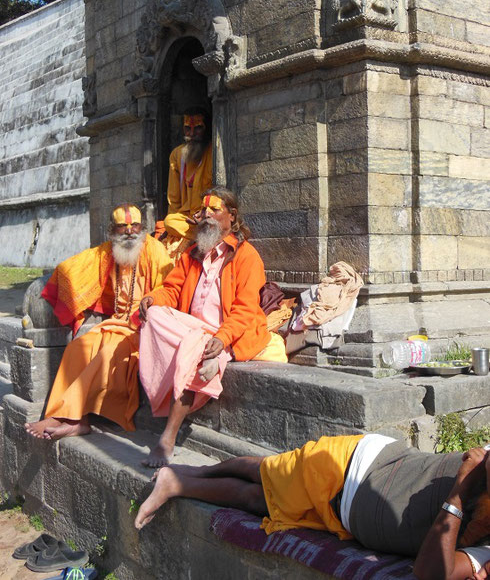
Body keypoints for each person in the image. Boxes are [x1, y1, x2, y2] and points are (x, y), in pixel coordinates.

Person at [133, 435, 490, 580]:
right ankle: (195, 471)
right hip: (356, 463)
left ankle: (176, 483)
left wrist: (458, 496)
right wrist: (467, 484)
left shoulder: (485, 548)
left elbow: (430, 573)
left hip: (345, 516)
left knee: (258, 501)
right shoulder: (482, 465)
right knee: (265, 471)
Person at [138, 187, 287, 468]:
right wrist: (153, 298)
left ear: (232, 216)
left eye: (214, 211)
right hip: (193, 328)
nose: (207, 216)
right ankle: (195, 346)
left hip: (229, 333)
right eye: (203, 212)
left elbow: (245, 308)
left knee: (196, 351)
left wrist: (223, 337)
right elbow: (171, 290)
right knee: (155, 315)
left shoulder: (246, 256)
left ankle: (167, 438)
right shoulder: (192, 254)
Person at [25, 204, 172, 440]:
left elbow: (168, 289)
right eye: (122, 227)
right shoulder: (108, 252)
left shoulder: (154, 251)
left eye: (134, 226)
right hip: (114, 324)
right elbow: (76, 267)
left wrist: (149, 305)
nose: (129, 232)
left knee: (108, 355)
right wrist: (58, 278)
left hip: (142, 326)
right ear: (112, 230)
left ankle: (70, 418)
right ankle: (67, 416)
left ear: (142, 228)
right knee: (77, 349)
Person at [154, 108, 213, 262]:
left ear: (206, 129)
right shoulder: (177, 155)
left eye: (198, 128)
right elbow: (173, 199)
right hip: (185, 219)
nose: (192, 134)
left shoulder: (213, 151)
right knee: (169, 221)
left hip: (208, 216)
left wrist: (205, 213)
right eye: (188, 128)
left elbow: (219, 191)